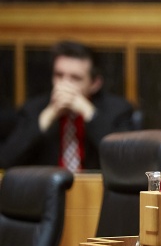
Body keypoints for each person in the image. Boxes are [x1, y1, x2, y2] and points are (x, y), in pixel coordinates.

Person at [0, 40, 135, 170]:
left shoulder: (118, 110)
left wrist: (89, 113)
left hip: (94, 191)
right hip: (47, 191)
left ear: (95, 84)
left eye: (75, 78)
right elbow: (5, 161)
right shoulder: (33, 109)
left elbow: (126, 161)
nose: (64, 84)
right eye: (59, 75)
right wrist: (47, 117)